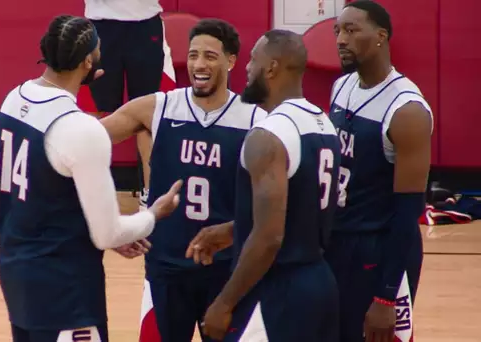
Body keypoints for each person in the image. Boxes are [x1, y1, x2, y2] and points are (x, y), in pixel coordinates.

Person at [0, 15, 182, 342]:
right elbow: (107, 234)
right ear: (87, 63)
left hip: (15, 272)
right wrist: (152, 215)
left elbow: (43, 191)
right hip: (65, 289)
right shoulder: (80, 129)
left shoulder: (13, 100)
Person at [100, 18, 266, 342]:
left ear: (231, 61)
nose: (199, 64)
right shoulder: (159, 108)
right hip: (166, 270)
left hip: (227, 274)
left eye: (210, 56)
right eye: (193, 55)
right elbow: (87, 140)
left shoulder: (254, 120)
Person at [188, 29, 341, 342]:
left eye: (253, 60)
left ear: (271, 68)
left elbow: (269, 237)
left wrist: (224, 302)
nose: (246, 68)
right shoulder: (324, 123)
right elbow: (300, 208)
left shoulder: (268, 135)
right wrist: (235, 229)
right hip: (321, 282)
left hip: (277, 289)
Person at [327, 1, 433, 341]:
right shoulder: (341, 86)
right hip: (340, 240)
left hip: (378, 250)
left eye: (351, 30)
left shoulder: (406, 109)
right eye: (337, 31)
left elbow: (408, 212)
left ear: (380, 37)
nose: (341, 39)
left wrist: (386, 294)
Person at [84, 0, 167, 205]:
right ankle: (90, 191)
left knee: (146, 112)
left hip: (144, 23)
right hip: (101, 24)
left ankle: (149, 193)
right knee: (100, 111)